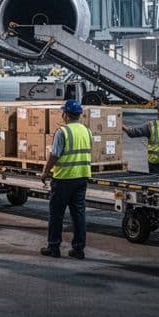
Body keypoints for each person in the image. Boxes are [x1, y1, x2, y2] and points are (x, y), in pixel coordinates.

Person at [39, 99, 91, 259]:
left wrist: (45, 172)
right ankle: (79, 249)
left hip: (64, 179)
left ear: (66, 115)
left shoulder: (63, 132)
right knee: (79, 215)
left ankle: (54, 247)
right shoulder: (87, 131)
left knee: (56, 215)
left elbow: (54, 154)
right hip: (82, 177)